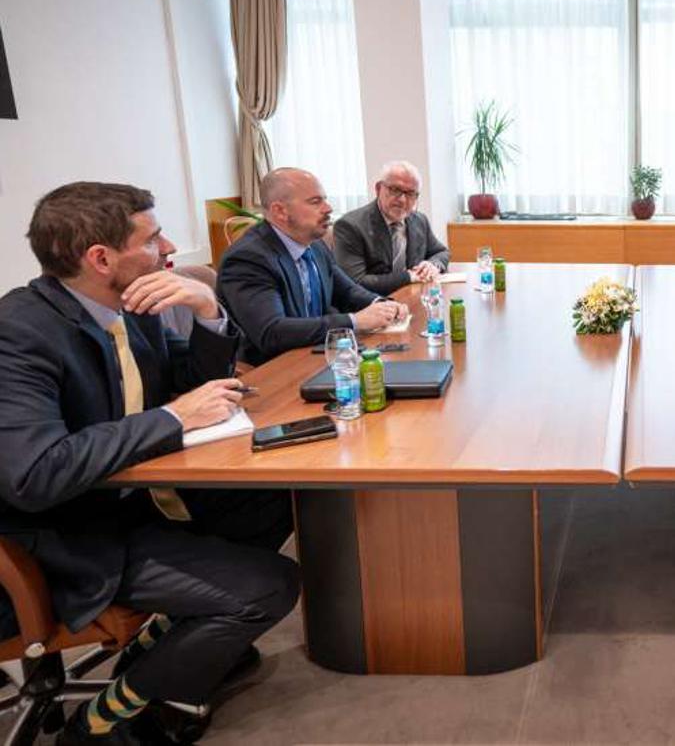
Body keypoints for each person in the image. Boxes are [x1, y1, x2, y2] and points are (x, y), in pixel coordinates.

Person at [0, 182, 300, 744]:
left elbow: (186, 383)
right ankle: (103, 723)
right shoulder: (18, 331)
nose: (169, 248)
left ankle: (182, 643)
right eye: (153, 238)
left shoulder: (129, 307)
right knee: (270, 586)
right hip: (67, 535)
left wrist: (207, 311)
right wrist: (173, 418)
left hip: (133, 497)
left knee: (279, 499)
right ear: (100, 258)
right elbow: (35, 474)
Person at [217, 167, 407, 366]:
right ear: (280, 211)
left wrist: (382, 305)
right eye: (315, 202)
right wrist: (355, 321)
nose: (328, 208)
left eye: (325, 199)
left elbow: (347, 292)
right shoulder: (248, 259)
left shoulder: (314, 244)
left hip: (317, 355)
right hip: (275, 369)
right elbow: (272, 332)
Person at [333, 160, 451, 296]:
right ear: (378, 189)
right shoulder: (350, 226)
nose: (402, 200)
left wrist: (433, 265)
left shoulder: (419, 220)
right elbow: (355, 282)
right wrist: (409, 277)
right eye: (395, 190)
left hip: (412, 297)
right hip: (372, 302)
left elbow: (442, 252)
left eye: (410, 193)